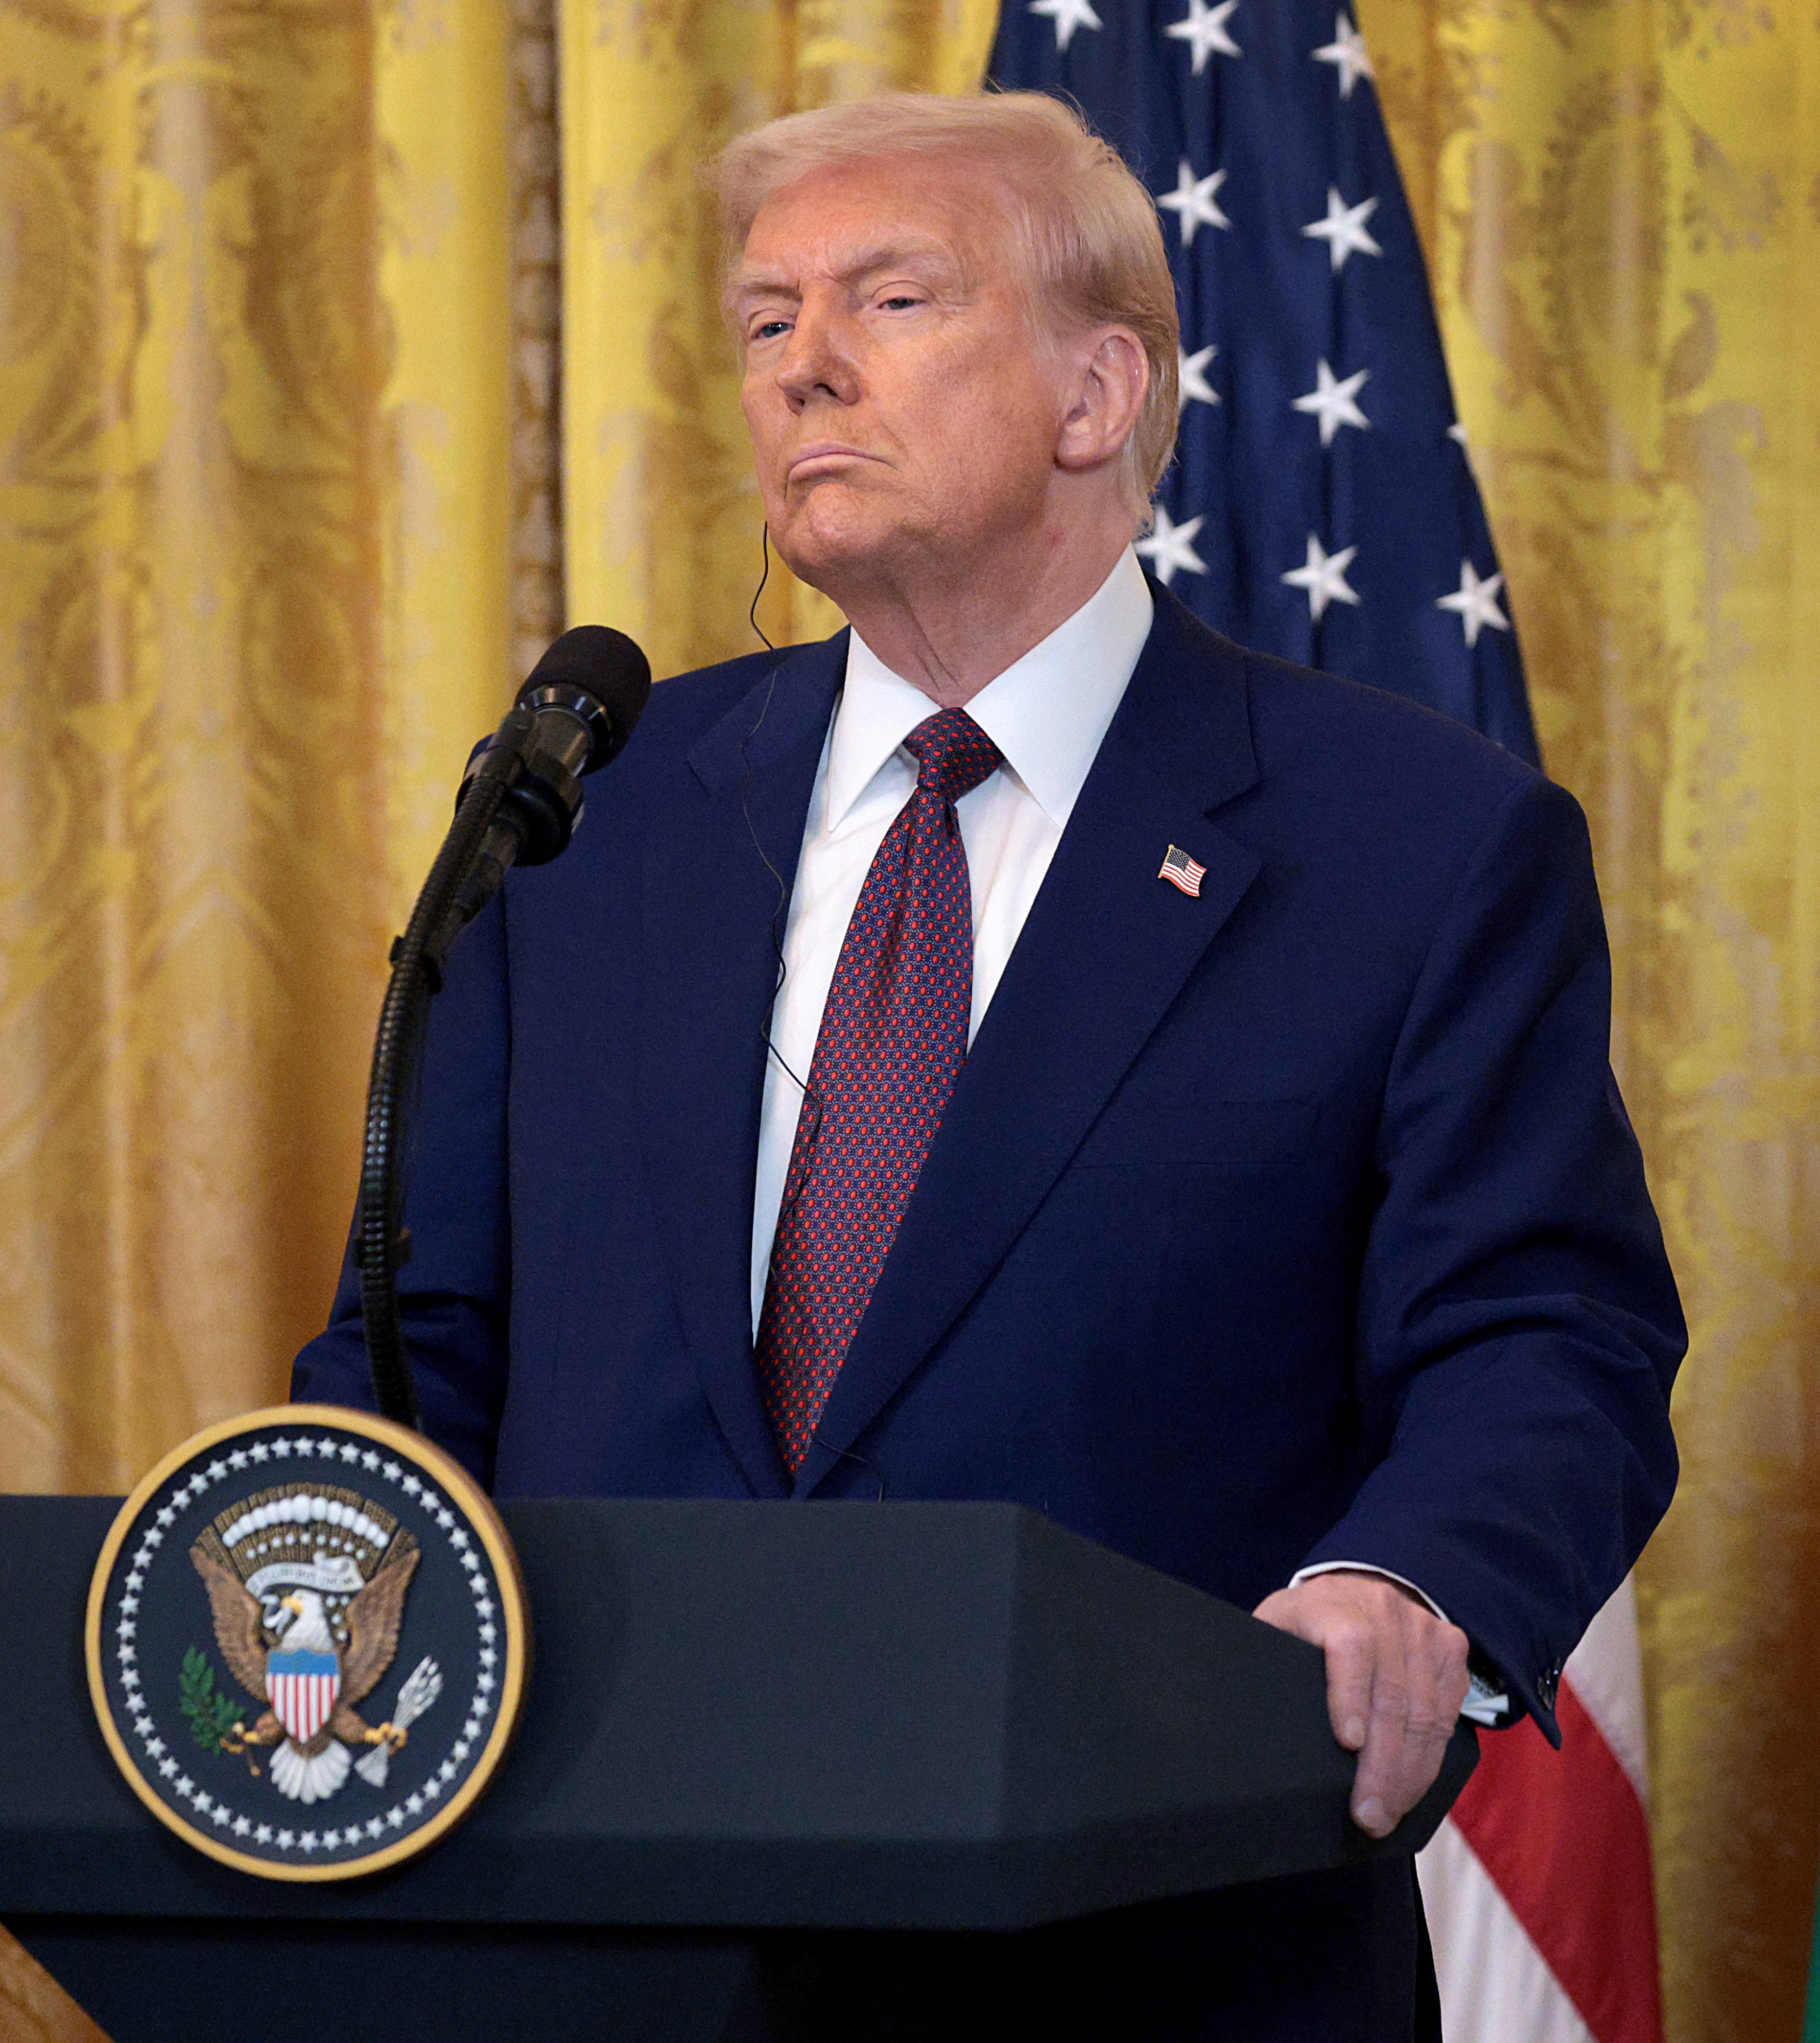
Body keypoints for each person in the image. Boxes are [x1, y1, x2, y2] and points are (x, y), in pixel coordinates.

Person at [293, 88, 1683, 2040]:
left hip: (1155, 1946)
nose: (803, 371)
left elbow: (1548, 1333)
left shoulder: (1414, 842)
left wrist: (1410, 1584)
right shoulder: (589, 819)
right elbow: (414, 1342)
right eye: (765, 323)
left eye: (891, 301)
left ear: (1096, 393)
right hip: (598, 1937)